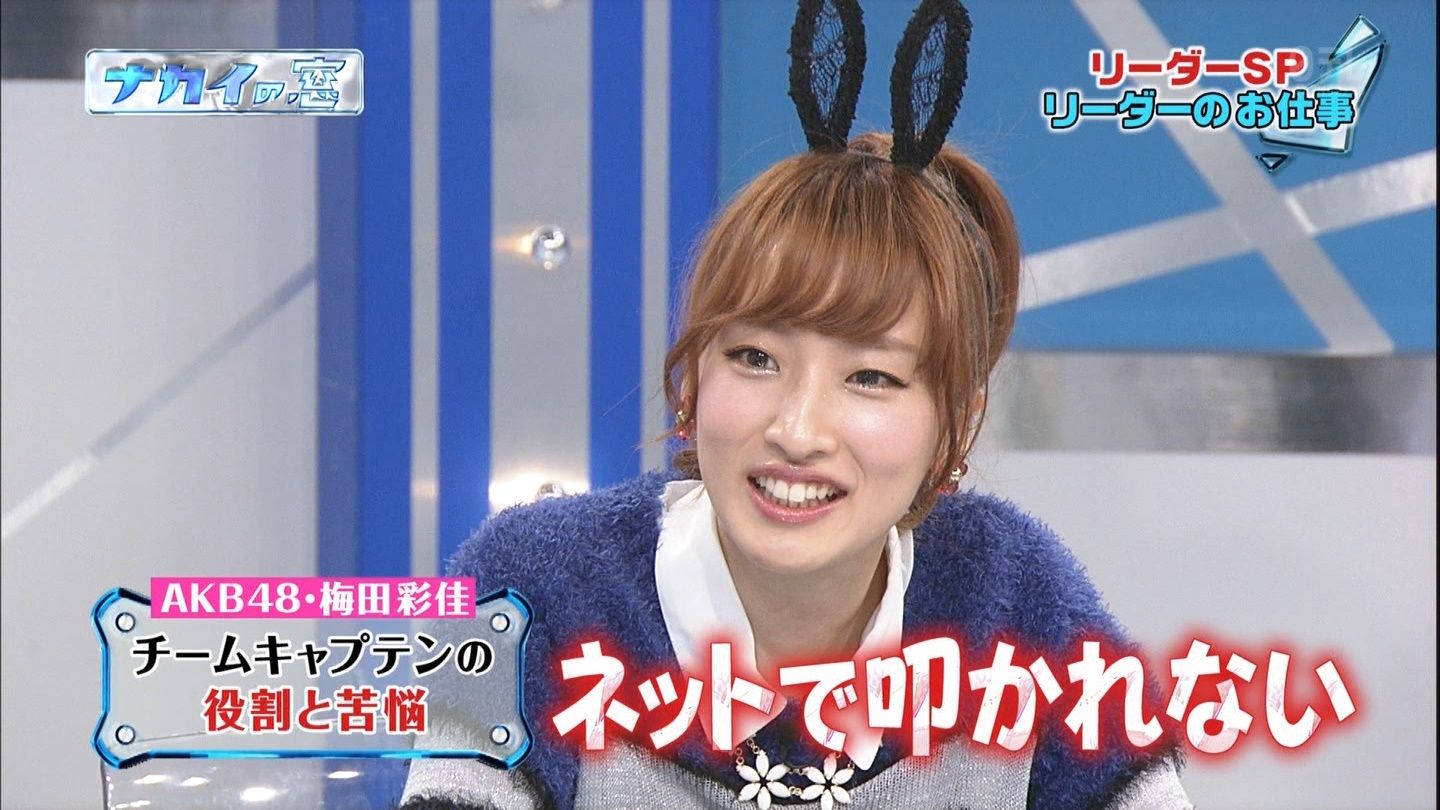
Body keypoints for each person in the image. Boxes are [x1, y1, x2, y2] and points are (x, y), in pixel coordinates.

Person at [402, 1, 1191, 807]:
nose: (798, 429)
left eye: (871, 377)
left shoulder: (1015, 602)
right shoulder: (534, 586)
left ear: (956, 425)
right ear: (691, 379)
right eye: (756, 359)